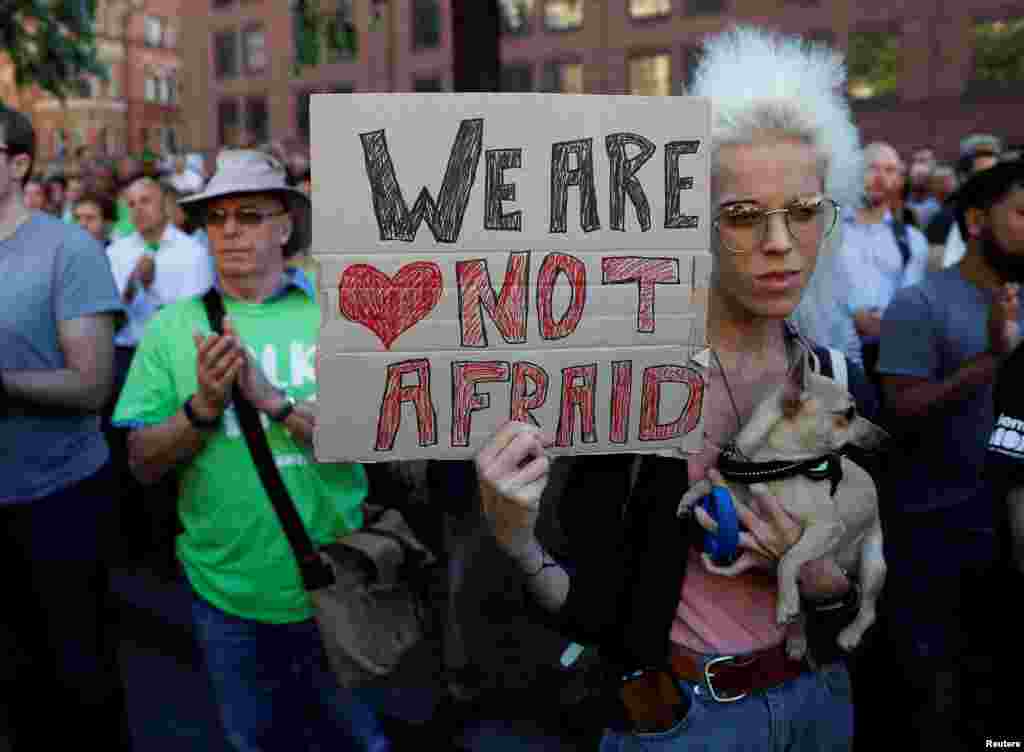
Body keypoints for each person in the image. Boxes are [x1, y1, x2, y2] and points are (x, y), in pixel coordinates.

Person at [474, 28, 873, 751]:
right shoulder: (620, 382)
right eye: (744, 215)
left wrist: (817, 576)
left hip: (821, 698)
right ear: (696, 220)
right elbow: (581, 605)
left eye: (805, 211)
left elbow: (866, 574)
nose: (779, 241)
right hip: (683, 719)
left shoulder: (838, 375)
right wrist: (514, 536)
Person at [112, 149, 390, 752]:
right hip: (226, 594)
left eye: (250, 215)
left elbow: (378, 434)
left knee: (359, 740)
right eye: (217, 218)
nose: (231, 230)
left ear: (286, 224)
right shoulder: (171, 327)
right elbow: (140, 462)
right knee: (253, 741)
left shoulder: (336, 310)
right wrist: (202, 409)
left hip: (340, 582)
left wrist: (276, 403)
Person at [876, 156, 1024, 750]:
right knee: (938, 704)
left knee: (1003, 710)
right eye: (1023, 212)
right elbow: (901, 411)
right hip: (935, 536)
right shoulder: (919, 304)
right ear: (978, 219)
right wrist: (992, 360)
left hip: (1011, 541)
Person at [0, 105, 132, 748]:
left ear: (18, 164)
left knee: (80, 678)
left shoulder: (67, 248)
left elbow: (92, 385)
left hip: (59, 500)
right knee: (16, 682)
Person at [106, 175, 213, 389]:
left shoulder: (192, 252)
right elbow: (109, 316)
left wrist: (151, 289)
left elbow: (191, 318)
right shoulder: (115, 252)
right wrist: (131, 287)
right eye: (131, 204)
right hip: (126, 356)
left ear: (165, 205)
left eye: (145, 201)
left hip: (172, 358)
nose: (137, 209)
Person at [833, 142, 929, 379]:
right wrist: (856, 314)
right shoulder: (828, 232)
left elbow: (911, 300)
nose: (880, 177)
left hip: (890, 358)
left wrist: (887, 321)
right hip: (836, 354)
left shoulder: (912, 240)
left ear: (899, 179)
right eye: (872, 168)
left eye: (889, 170)